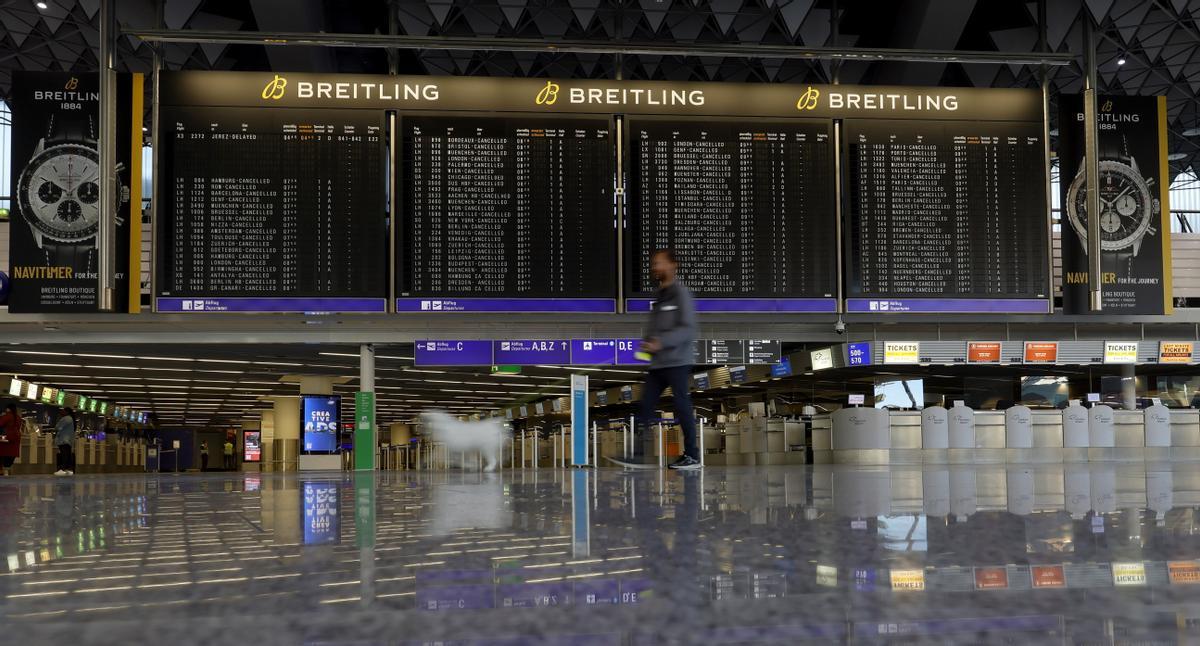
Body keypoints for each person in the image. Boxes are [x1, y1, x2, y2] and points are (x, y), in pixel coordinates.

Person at [633, 249, 701, 470]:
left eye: (659, 263)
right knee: (645, 405)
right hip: (658, 363)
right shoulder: (660, 295)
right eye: (654, 264)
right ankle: (638, 455)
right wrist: (647, 343)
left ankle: (692, 456)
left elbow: (688, 329)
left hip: (677, 361)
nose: (655, 267)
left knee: (681, 405)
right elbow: (654, 329)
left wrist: (662, 342)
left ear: (673, 266)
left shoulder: (681, 294)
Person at [0, 404, 22, 476]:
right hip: (15, 439)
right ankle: (7, 472)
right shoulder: (18, 417)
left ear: (8, 409)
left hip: (6, 439)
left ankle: (4, 473)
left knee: (4, 456)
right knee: (10, 458)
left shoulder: (7, 416)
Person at [54, 408, 76, 476]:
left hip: (63, 440)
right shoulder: (71, 419)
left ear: (67, 412)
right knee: (68, 455)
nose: (61, 412)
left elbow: (57, 427)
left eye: (63, 411)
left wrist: (58, 422)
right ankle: (69, 469)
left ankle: (62, 469)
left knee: (64, 455)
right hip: (68, 440)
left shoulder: (66, 418)